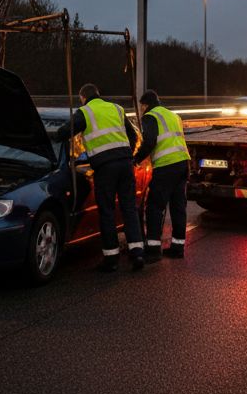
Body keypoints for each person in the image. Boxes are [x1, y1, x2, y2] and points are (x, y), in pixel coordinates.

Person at [63, 83, 145, 272]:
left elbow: (65, 132)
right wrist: (128, 154)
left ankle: (111, 258)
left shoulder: (85, 112)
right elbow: (133, 135)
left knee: (107, 211)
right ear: (98, 94)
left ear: (83, 98)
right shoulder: (116, 108)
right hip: (125, 164)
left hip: (105, 168)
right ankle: (137, 253)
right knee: (129, 209)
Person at [135, 89, 190, 262]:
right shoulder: (173, 116)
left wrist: (136, 159)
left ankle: (153, 250)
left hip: (166, 166)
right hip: (182, 163)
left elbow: (149, 142)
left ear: (145, 105)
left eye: (141, 107)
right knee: (178, 207)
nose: (141, 110)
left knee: (155, 207)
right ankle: (178, 248)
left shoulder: (150, 116)